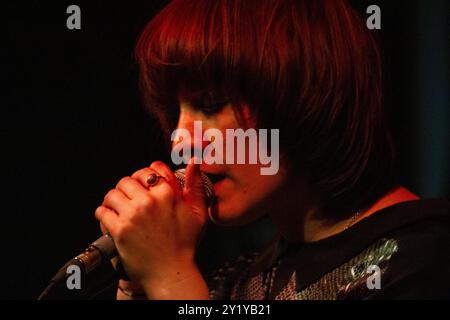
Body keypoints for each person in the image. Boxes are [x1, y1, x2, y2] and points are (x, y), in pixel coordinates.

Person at [94, 0, 450, 300]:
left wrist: (168, 278)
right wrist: (137, 283)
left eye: (210, 104)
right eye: (176, 114)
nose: (180, 141)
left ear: (304, 95)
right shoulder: (242, 280)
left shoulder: (428, 261)